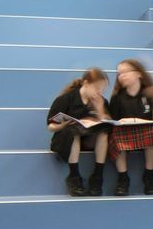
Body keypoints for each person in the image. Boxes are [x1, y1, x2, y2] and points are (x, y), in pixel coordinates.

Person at [107, 59, 153, 196]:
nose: (121, 76)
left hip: (146, 133)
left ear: (138, 74)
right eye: (119, 74)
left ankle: (149, 177)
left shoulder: (149, 94)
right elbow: (112, 121)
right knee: (115, 135)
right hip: (124, 134)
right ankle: (123, 179)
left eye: (125, 72)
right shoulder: (117, 97)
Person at [47, 67, 111, 197]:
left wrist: (100, 110)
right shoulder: (66, 98)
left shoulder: (101, 101)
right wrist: (62, 125)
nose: (100, 92)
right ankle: (74, 177)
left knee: (104, 131)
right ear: (86, 84)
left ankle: (97, 176)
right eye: (97, 88)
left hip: (88, 140)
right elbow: (51, 127)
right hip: (66, 140)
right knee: (74, 131)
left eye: (103, 89)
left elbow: (107, 123)